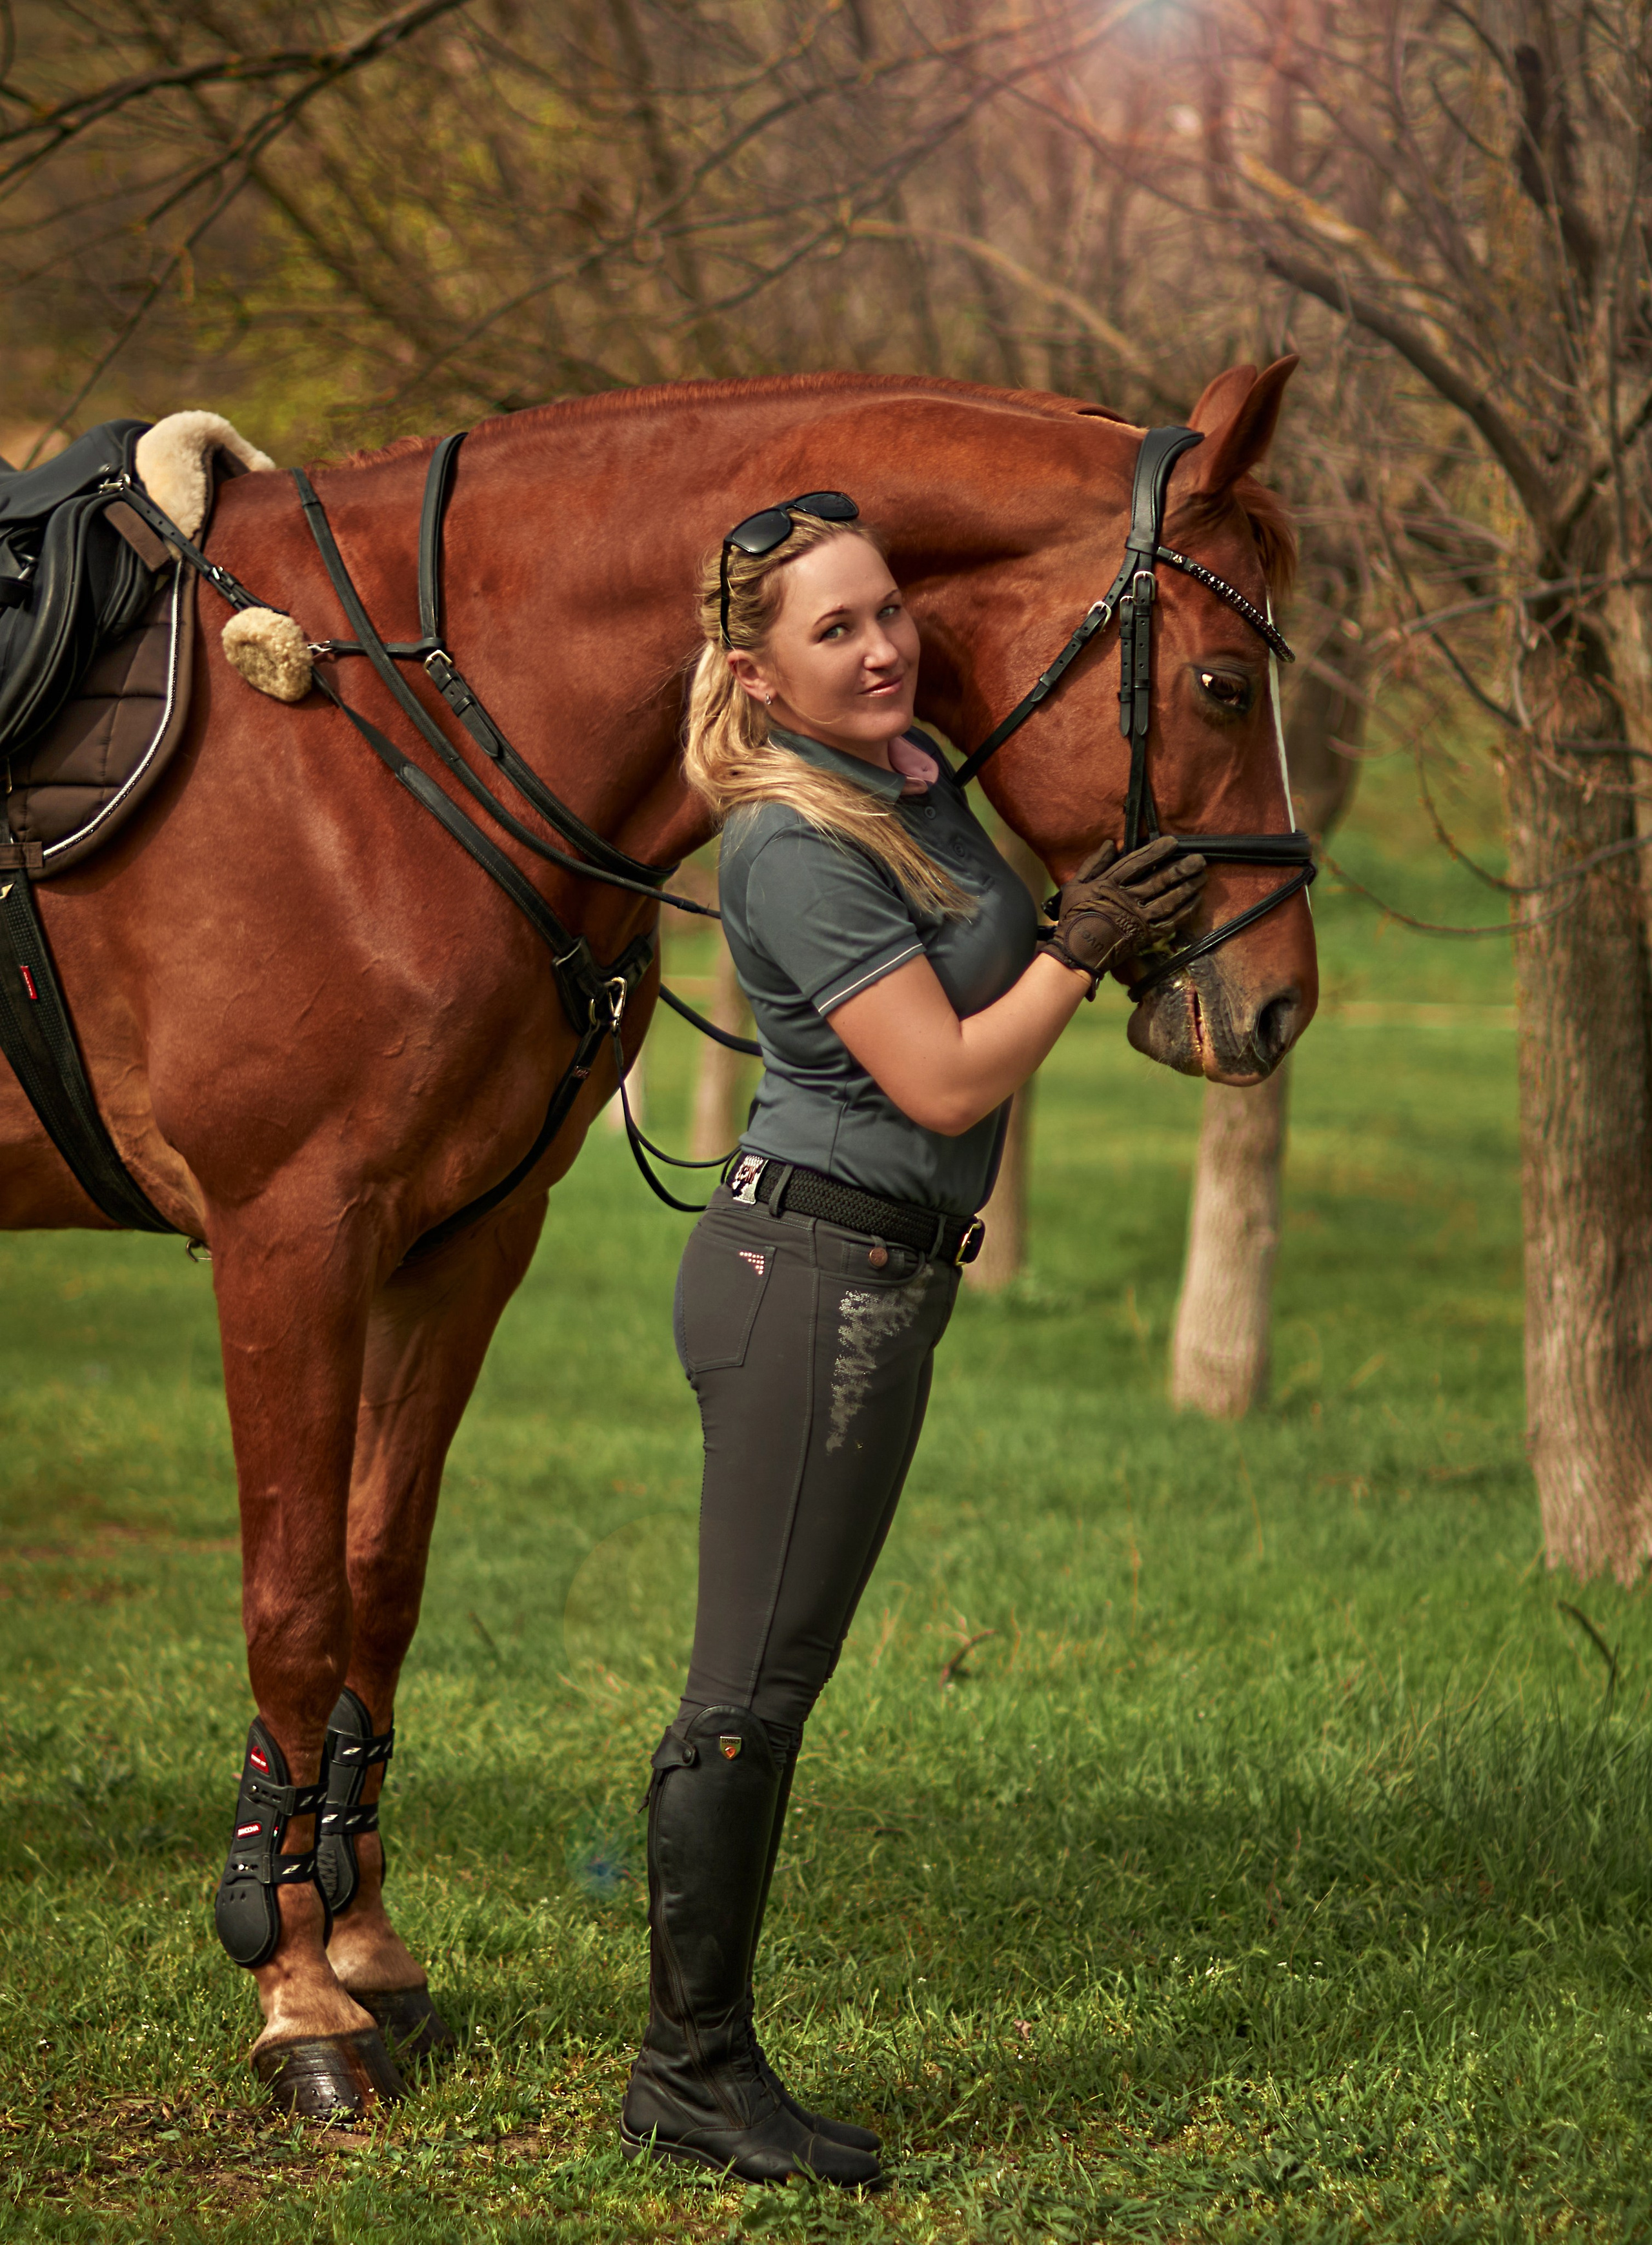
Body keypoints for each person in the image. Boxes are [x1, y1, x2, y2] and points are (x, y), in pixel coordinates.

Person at [620, 494, 1206, 2188]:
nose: (881, 649)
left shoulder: (915, 781)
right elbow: (945, 1075)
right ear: (759, 669)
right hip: (808, 1277)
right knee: (750, 1690)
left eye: (889, 613)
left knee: (769, 1680)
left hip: (873, 1275)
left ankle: (696, 2057)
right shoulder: (786, 844)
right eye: (835, 630)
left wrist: (1103, 917)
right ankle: (691, 2070)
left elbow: (989, 955)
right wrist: (1079, 954)